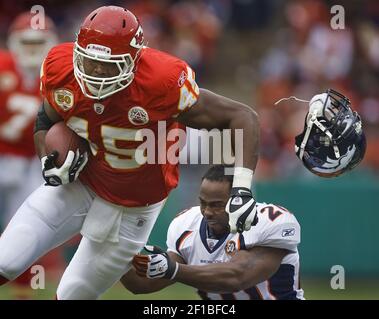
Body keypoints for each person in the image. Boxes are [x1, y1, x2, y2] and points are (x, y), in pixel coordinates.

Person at [0, 6, 260, 300]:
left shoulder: (162, 81)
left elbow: (242, 117)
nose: (97, 72)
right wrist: (48, 162)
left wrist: (242, 188)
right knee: (5, 260)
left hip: (133, 207)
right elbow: (47, 118)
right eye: (90, 61)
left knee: (72, 295)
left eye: (109, 64)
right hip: (81, 185)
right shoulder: (62, 67)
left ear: (135, 59)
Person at [122, 164, 304, 300]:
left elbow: (237, 276)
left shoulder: (272, 221)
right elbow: (141, 284)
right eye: (203, 203)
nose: (207, 212)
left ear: (240, 200)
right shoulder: (186, 224)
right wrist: (116, 251)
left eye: (217, 205)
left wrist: (172, 269)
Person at [0, 12, 57, 226]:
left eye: (38, 42)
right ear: (13, 42)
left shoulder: (60, 75)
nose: (32, 48)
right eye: (26, 42)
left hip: (33, 161)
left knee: (24, 226)